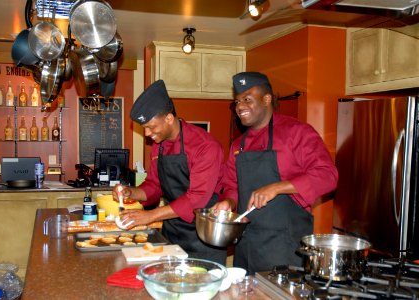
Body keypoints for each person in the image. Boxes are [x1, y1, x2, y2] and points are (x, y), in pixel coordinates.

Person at [213, 72, 338, 274]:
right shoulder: (239, 145)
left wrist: (277, 187)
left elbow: (328, 176)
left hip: (284, 248)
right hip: (246, 246)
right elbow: (232, 185)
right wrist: (228, 202)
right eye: (237, 101)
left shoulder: (297, 132)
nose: (240, 107)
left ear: (267, 99)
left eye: (247, 99)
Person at [112, 79, 227, 265]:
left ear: (169, 118)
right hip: (172, 235)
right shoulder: (159, 147)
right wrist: (130, 191)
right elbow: (154, 186)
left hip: (203, 238)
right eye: (145, 128)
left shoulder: (205, 146)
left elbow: (197, 198)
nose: (148, 133)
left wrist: (150, 216)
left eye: (151, 127)